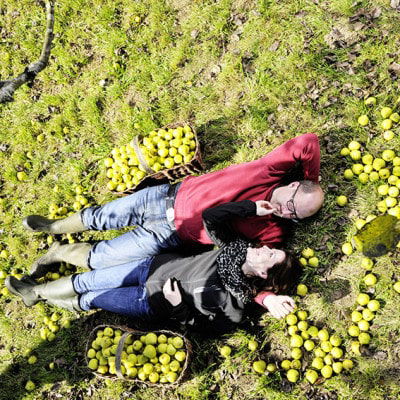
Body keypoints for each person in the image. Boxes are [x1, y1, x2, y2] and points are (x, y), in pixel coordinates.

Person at [22, 133, 322, 310]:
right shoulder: (270, 170)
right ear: (294, 185)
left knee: (101, 258)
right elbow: (307, 142)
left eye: (297, 216)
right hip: (165, 196)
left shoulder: (273, 230)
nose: (288, 212)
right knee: (100, 216)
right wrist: (312, 181)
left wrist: (268, 299)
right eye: (293, 205)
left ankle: (57, 253)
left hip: (168, 236)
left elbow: (256, 273)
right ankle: (52, 226)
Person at [6, 200, 302, 333]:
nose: (264, 248)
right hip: (147, 269)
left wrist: (177, 307)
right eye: (269, 248)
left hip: (148, 301)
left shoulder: (235, 302)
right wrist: (250, 207)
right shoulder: (233, 249)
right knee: (86, 281)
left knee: (89, 299)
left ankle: (58, 301)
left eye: (269, 255)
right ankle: (36, 292)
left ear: (263, 273)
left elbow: (209, 328)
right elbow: (212, 217)